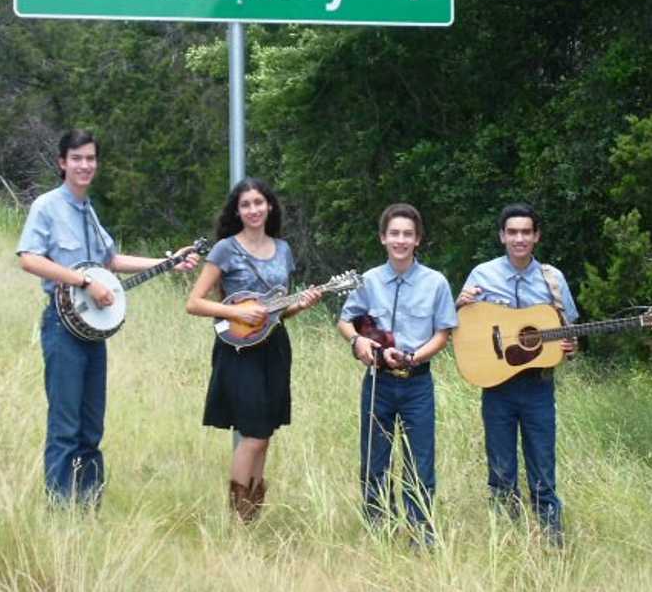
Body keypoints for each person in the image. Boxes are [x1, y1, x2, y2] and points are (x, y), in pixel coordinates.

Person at [17, 129, 198, 506]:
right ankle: (61, 513)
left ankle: (88, 507)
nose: (84, 165)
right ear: (62, 163)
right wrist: (84, 281)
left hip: (92, 334)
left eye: (90, 158)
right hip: (62, 329)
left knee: (91, 428)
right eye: (77, 158)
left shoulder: (88, 210)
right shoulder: (47, 207)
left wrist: (169, 262)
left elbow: (111, 261)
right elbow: (29, 259)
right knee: (65, 427)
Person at [185, 177, 323, 522]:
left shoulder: (283, 249)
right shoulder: (225, 249)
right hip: (238, 350)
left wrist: (301, 305)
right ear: (237, 211)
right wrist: (236, 313)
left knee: (266, 433)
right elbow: (194, 302)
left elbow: (278, 311)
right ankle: (237, 518)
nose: (253, 210)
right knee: (254, 435)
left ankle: (251, 517)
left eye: (258, 203)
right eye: (245, 205)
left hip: (274, 347)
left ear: (270, 206)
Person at [457, 202, 578, 546]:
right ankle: (506, 541)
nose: (519, 239)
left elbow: (570, 332)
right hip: (497, 386)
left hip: (538, 386)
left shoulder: (553, 280)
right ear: (502, 236)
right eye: (512, 232)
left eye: (526, 232)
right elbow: (460, 325)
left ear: (536, 236)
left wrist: (571, 347)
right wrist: (459, 304)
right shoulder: (482, 275)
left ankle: (552, 541)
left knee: (543, 467)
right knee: (501, 470)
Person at [337, 203, 456, 544]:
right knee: (375, 460)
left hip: (417, 383)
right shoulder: (368, 281)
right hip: (378, 383)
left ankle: (422, 535)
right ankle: (379, 531)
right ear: (383, 238)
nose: (400, 240)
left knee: (420, 462)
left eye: (407, 234)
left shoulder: (435, 283)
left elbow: (443, 334)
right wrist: (359, 341)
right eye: (394, 234)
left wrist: (413, 357)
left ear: (417, 239)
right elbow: (345, 321)